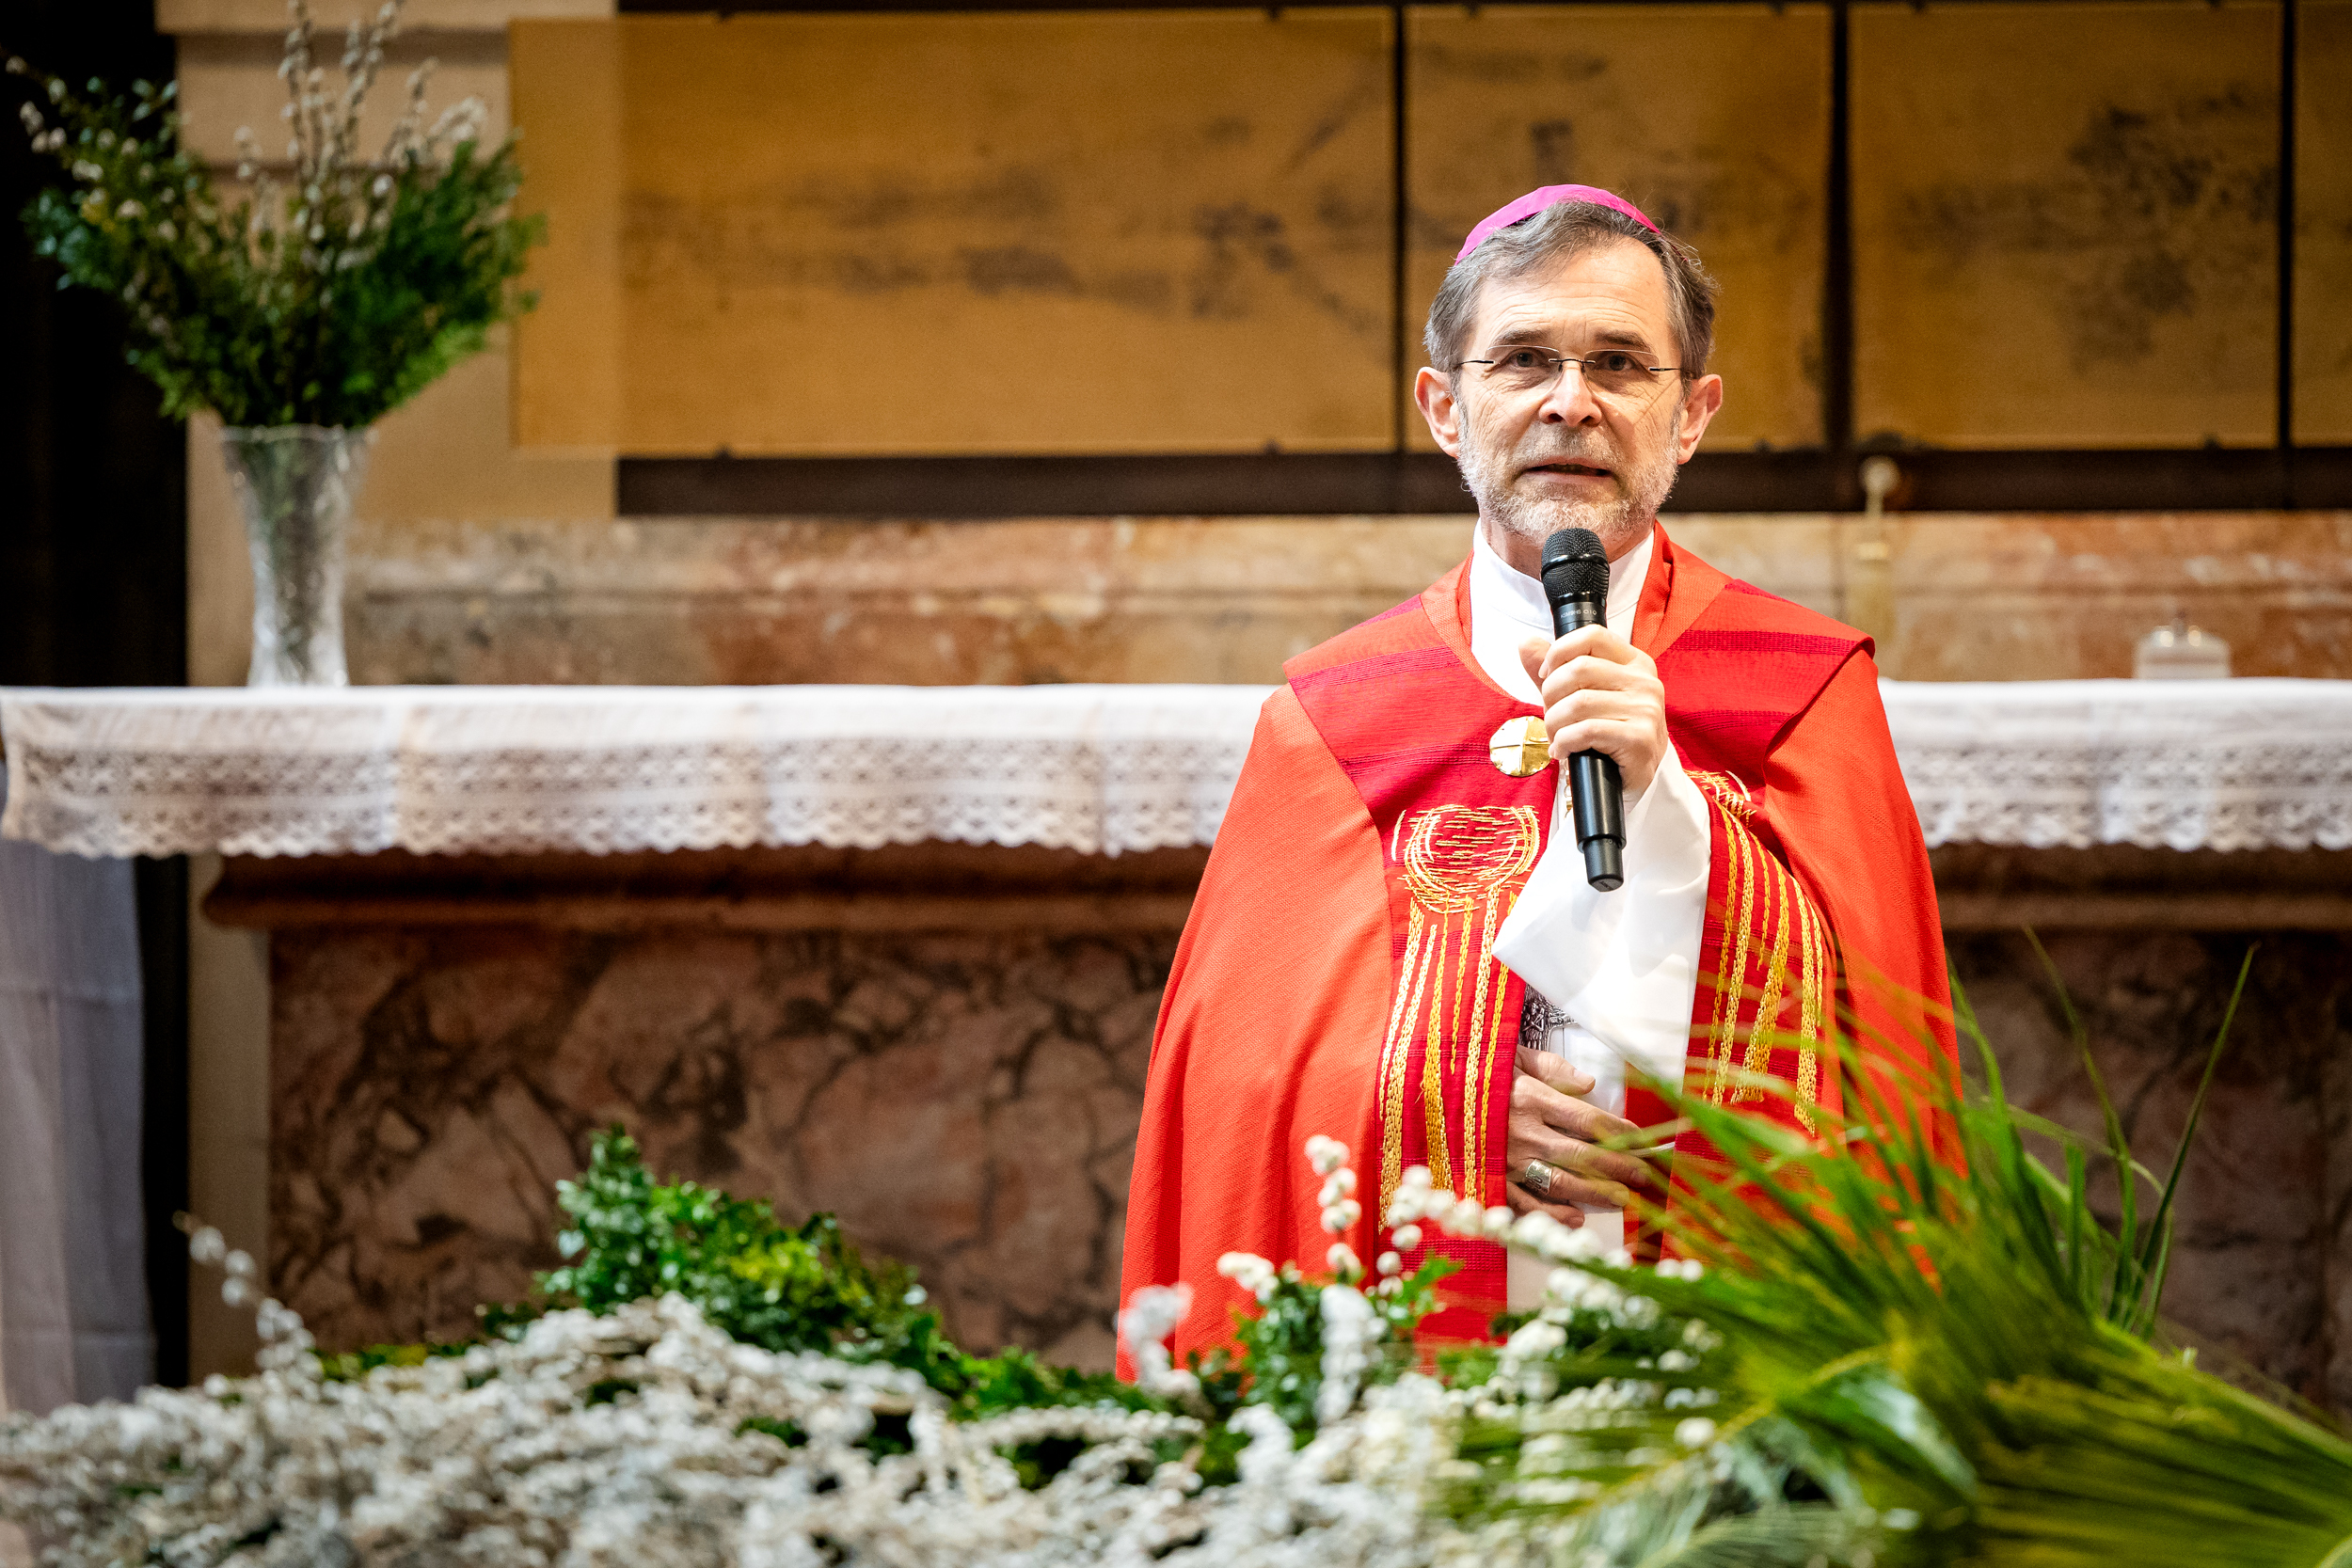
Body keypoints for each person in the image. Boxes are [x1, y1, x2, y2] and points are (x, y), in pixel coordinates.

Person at [1120, 185, 1957, 1356]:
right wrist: (1450, 1107)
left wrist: (1670, 803)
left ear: (1691, 413)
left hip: (1722, 1336)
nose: (1571, 401)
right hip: (1417, 1365)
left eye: (1618, 363)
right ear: (1444, 407)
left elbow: (1881, 1052)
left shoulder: (1803, 690)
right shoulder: (1333, 717)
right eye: (1522, 360)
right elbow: (1237, 1087)